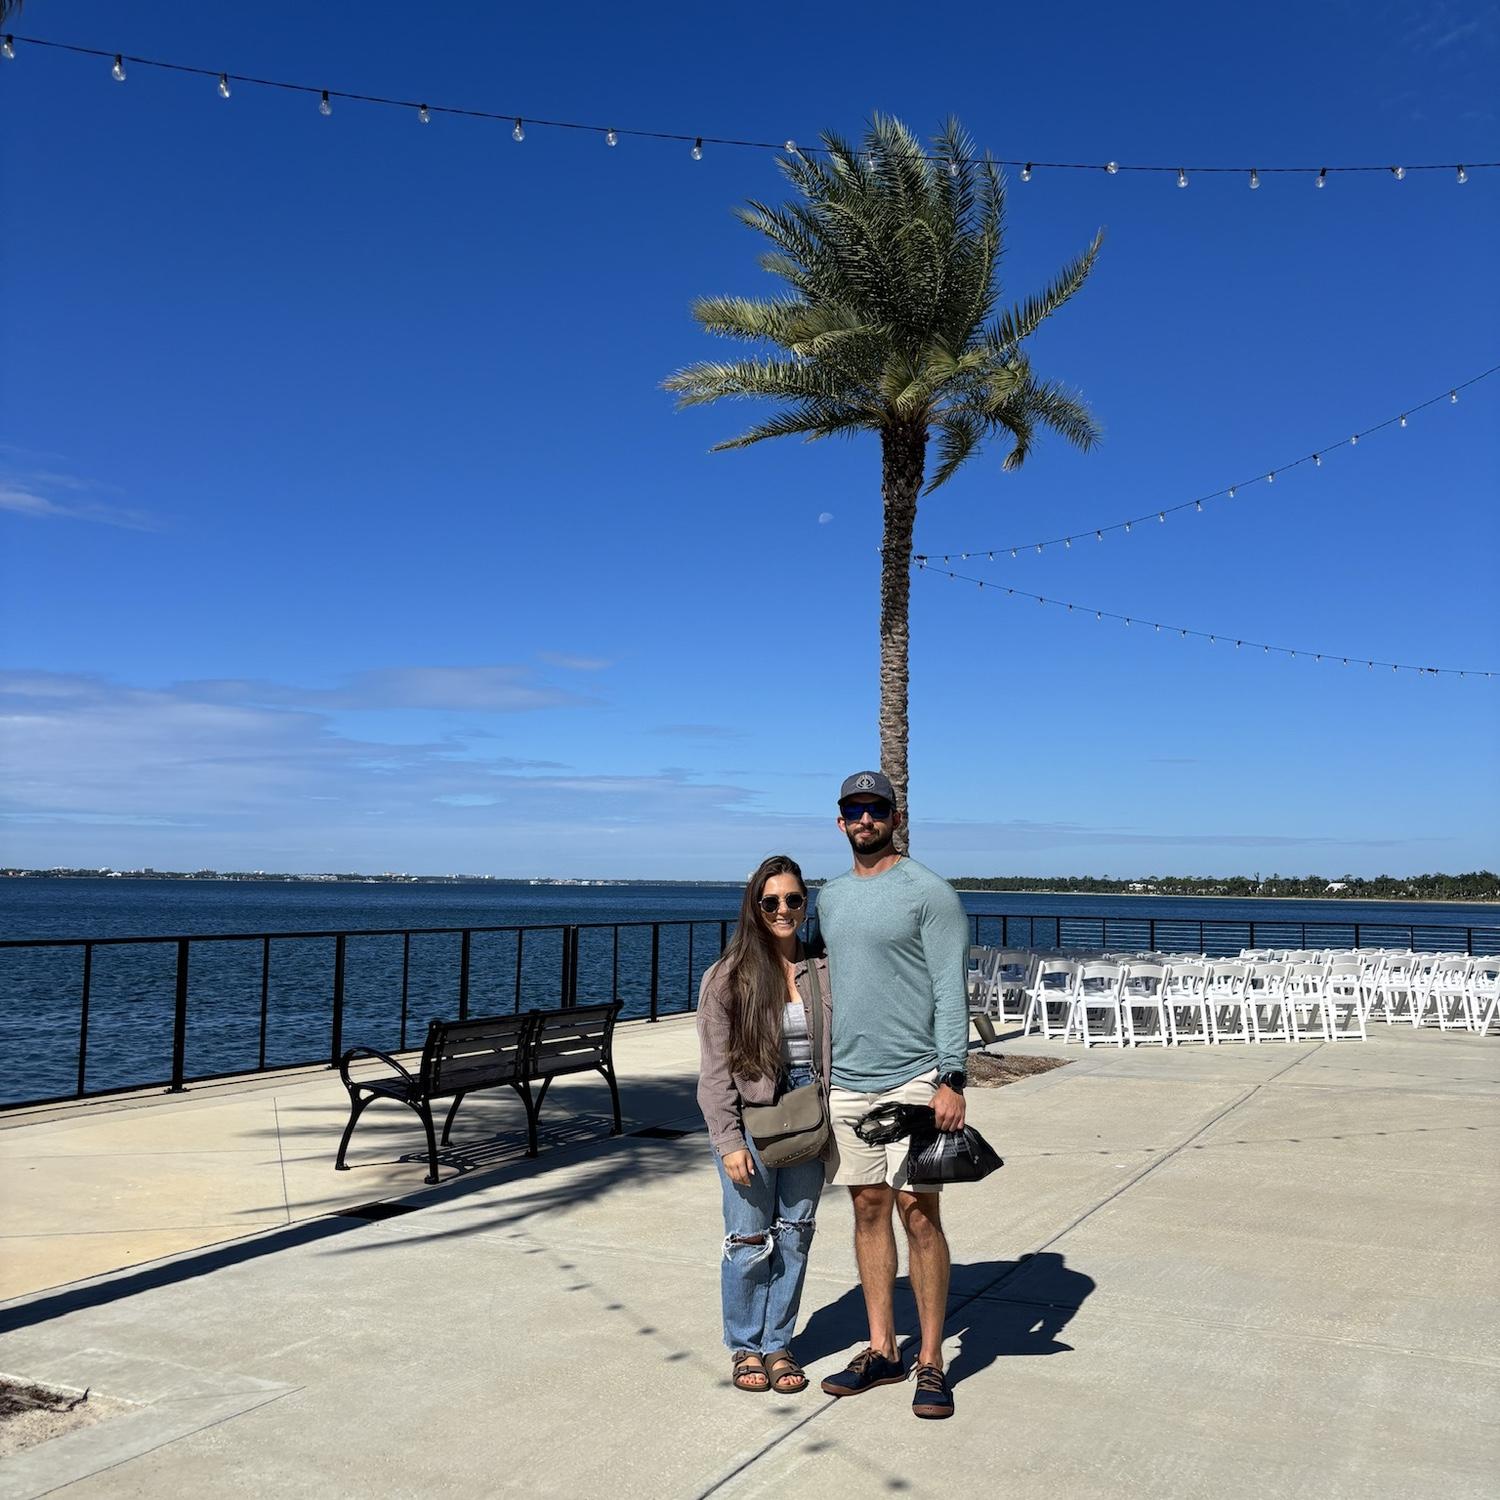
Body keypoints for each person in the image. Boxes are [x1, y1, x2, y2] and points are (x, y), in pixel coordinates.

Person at [814, 770, 970, 1419]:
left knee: (919, 1213)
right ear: (840, 820)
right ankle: (883, 1350)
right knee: (868, 1209)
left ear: (895, 817)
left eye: (875, 808)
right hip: (848, 1081)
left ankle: (930, 1358)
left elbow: (950, 988)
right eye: (854, 809)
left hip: (915, 1078)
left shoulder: (929, 893)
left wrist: (952, 1077)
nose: (865, 819)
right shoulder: (829, 897)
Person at [696, 854, 833, 1395]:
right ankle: (745, 1345)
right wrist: (728, 1140)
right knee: (749, 1238)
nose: (783, 910)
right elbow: (714, 1072)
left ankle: (778, 1342)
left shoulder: (824, 969)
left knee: (796, 1233)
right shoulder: (727, 977)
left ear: (805, 905)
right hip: (752, 1117)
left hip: (810, 1110)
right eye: (770, 900)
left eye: (793, 899)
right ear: (754, 906)